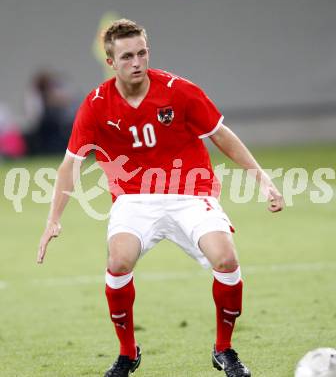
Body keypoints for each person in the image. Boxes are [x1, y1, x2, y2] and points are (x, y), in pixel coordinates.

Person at [37, 19, 284, 377]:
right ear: (111, 62)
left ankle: (224, 349)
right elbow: (69, 165)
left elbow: (221, 135)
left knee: (226, 259)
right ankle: (127, 353)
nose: (136, 62)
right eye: (126, 56)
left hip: (190, 192)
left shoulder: (179, 91)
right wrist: (53, 220)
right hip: (134, 199)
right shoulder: (95, 105)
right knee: (119, 261)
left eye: (142, 53)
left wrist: (262, 179)